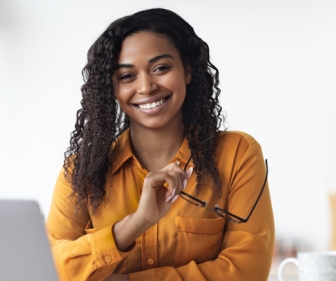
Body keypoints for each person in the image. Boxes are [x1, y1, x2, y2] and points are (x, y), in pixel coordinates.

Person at [46, 8, 274, 281]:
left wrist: (125, 280)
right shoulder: (81, 170)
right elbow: (51, 267)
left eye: (160, 68)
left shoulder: (238, 154)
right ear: (113, 88)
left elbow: (246, 271)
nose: (146, 87)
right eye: (127, 76)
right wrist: (136, 223)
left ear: (187, 70)